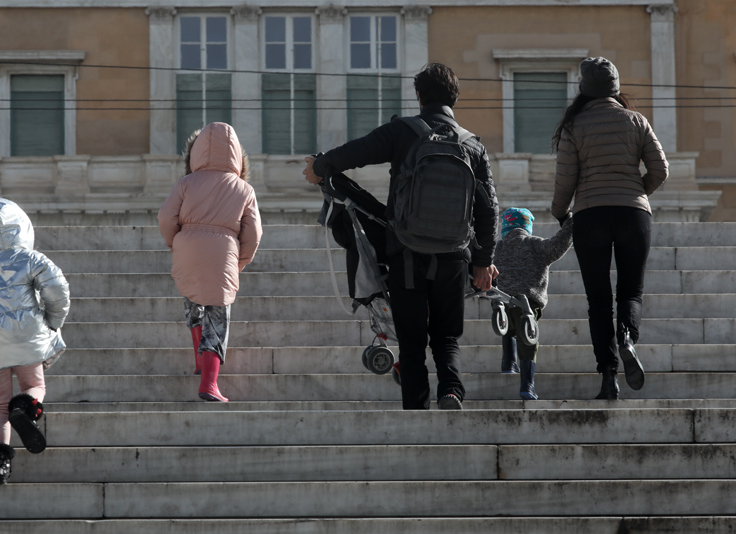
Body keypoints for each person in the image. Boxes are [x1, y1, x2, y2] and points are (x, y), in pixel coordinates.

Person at [303, 63, 499, 411]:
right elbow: (489, 209)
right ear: (455, 98)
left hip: (406, 252)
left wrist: (319, 167)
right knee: (446, 337)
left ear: (419, 96)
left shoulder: (402, 132)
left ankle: (416, 411)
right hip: (455, 254)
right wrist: (484, 262)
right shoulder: (473, 146)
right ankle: (451, 391)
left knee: (411, 342)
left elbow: (354, 153)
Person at [551, 57, 668, 400]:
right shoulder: (637, 121)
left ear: (584, 90)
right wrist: (635, 193)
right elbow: (660, 169)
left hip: (591, 215)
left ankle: (608, 377)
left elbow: (565, 181)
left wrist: (561, 213)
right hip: (634, 215)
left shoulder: (575, 125)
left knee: (598, 300)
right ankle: (628, 337)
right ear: (616, 87)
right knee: (631, 292)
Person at [0, 197, 70, 485]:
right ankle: (27, 406)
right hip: (26, 332)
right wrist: (52, 322)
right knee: (34, 385)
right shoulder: (30, 259)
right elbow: (57, 289)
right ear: (20, 226)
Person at [158, 122, 262, 403]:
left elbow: (165, 218)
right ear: (237, 156)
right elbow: (253, 235)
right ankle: (209, 383)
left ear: (196, 153)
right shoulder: (244, 189)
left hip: (187, 248)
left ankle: (199, 361)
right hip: (223, 252)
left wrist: (176, 244)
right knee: (218, 316)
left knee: (194, 305)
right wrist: (238, 264)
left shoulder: (186, 183)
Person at [493, 207, 574, 400]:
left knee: (506, 323)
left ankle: (508, 361)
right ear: (527, 226)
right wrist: (571, 224)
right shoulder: (536, 245)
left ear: (505, 227)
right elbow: (558, 244)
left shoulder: (497, 247)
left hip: (502, 298)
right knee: (528, 340)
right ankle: (527, 385)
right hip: (528, 303)